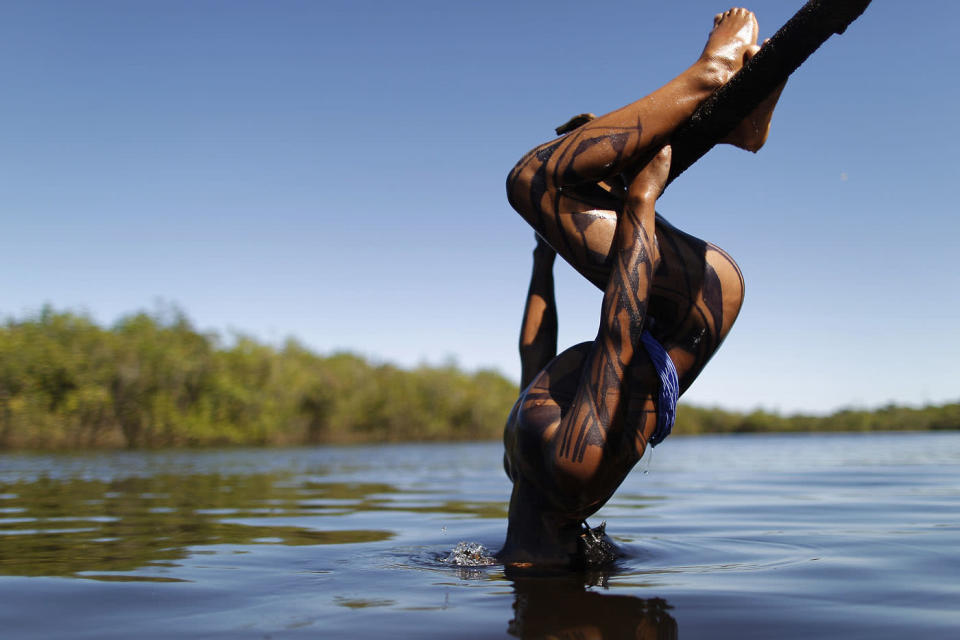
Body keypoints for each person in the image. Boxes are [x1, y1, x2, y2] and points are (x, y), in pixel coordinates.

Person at [498, 8, 783, 568]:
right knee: (532, 181)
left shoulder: (522, 471)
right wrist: (639, 204)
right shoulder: (576, 469)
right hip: (695, 304)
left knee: (554, 190)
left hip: (663, 301)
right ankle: (713, 73)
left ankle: (739, 127)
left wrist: (543, 253)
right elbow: (618, 333)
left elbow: (534, 355)